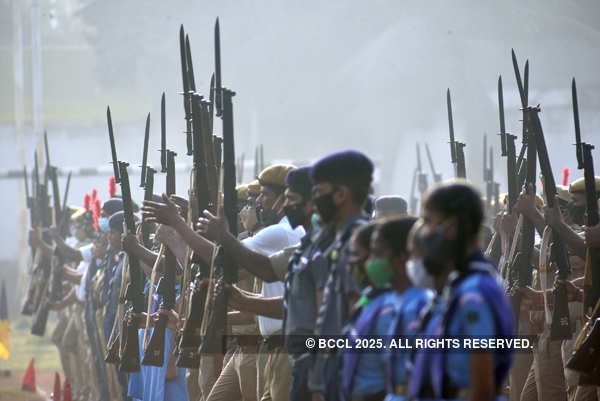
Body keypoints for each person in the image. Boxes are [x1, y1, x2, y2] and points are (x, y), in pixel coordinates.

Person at [408, 181, 514, 401]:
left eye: (427, 221)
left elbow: (483, 386)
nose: (422, 232)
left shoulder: (475, 292)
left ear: (452, 227)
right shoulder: (456, 288)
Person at [308, 150, 374, 401]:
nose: (315, 202)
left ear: (341, 194)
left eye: (319, 192)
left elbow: (359, 308)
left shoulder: (359, 244)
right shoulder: (340, 241)